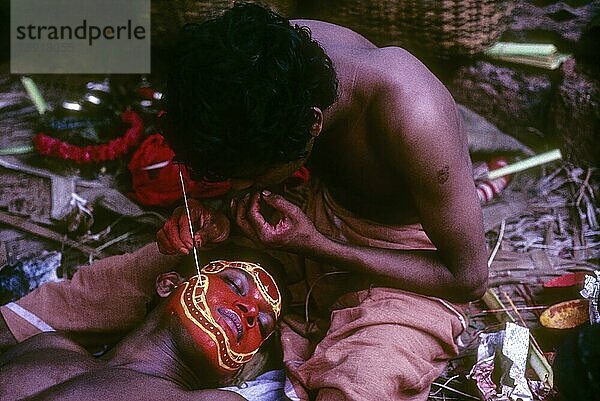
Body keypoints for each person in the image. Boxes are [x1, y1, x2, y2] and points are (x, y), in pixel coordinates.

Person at [1, 3, 488, 400]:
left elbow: (466, 277)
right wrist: (220, 216)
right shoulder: (267, 68)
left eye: (245, 176)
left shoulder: (413, 113)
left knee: (365, 380)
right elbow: (242, 174)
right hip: (302, 228)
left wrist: (319, 245)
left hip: (408, 270)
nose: (253, 310)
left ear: (311, 129)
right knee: (143, 269)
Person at [0, 258, 282, 401]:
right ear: (169, 284)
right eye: (233, 285)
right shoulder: (49, 346)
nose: (251, 310)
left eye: (262, 323)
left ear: (238, 368)